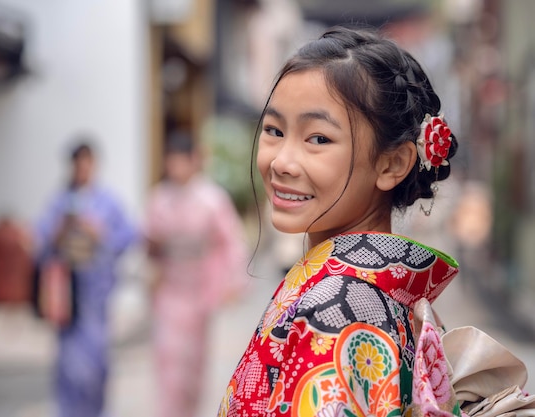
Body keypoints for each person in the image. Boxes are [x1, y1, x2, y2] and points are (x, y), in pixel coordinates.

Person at [217, 26, 465, 416]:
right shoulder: (385, 295)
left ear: (392, 163)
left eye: (318, 138)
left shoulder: (334, 309)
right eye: (274, 130)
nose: (281, 161)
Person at [144, 131, 248, 417]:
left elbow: (232, 242)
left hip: (198, 290)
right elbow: (147, 243)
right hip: (169, 289)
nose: (175, 167)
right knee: (168, 361)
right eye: (171, 161)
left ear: (193, 161)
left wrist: (233, 282)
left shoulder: (212, 199)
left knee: (193, 366)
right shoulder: (159, 198)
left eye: (181, 160)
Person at [35, 139, 137, 417]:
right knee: (68, 363)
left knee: (96, 361)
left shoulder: (107, 201)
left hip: (97, 295)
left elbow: (128, 236)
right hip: (67, 295)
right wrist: (61, 229)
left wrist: (98, 232)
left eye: (87, 162)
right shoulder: (59, 201)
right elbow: (41, 242)